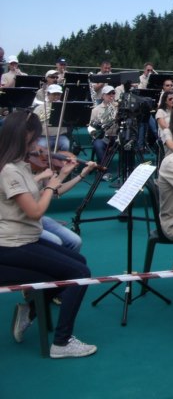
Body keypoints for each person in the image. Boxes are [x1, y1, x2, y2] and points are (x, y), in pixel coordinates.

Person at [0, 110, 98, 358]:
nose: (36, 146)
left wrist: (61, 177)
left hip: (26, 239)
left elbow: (45, 194)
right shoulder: (9, 170)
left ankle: (31, 310)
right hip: (12, 244)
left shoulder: (20, 166)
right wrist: (51, 184)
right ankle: (62, 343)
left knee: (79, 262)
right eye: (33, 139)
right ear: (22, 137)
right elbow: (35, 211)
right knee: (80, 273)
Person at [89, 85, 118, 165]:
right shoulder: (96, 110)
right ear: (103, 96)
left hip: (117, 136)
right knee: (98, 144)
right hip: (103, 136)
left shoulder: (119, 107)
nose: (111, 95)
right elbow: (91, 128)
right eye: (109, 93)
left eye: (113, 93)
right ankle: (102, 169)